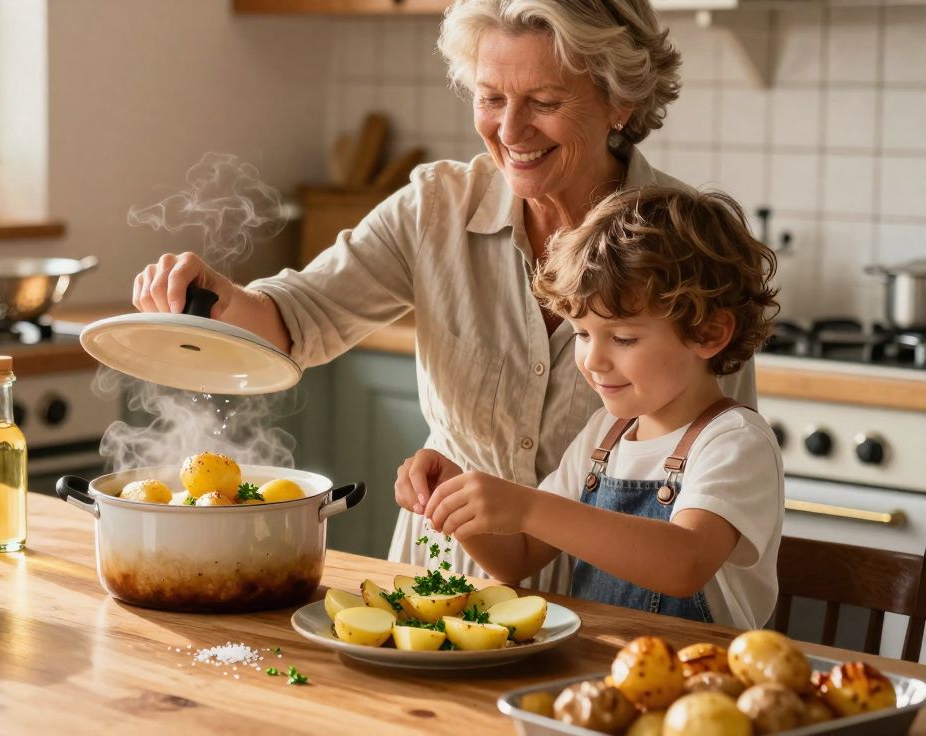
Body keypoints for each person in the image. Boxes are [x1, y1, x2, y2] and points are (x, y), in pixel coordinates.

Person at [132, 0, 756, 585]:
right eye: (490, 97)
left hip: (617, 605)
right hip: (450, 577)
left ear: (619, 100)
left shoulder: (685, 246)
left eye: (543, 100)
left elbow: (708, 450)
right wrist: (216, 298)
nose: (511, 129)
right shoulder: (436, 209)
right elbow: (295, 320)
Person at [407, 186, 782, 628]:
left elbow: (685, 563)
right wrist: (462, 501)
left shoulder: (733, 440)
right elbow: (518, 559)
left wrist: (527, 507)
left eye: (623, 338)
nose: (592, 360)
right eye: (582, 334)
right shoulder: (605, 435)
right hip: (600, 674)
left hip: (699, 683)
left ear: (709, 333)